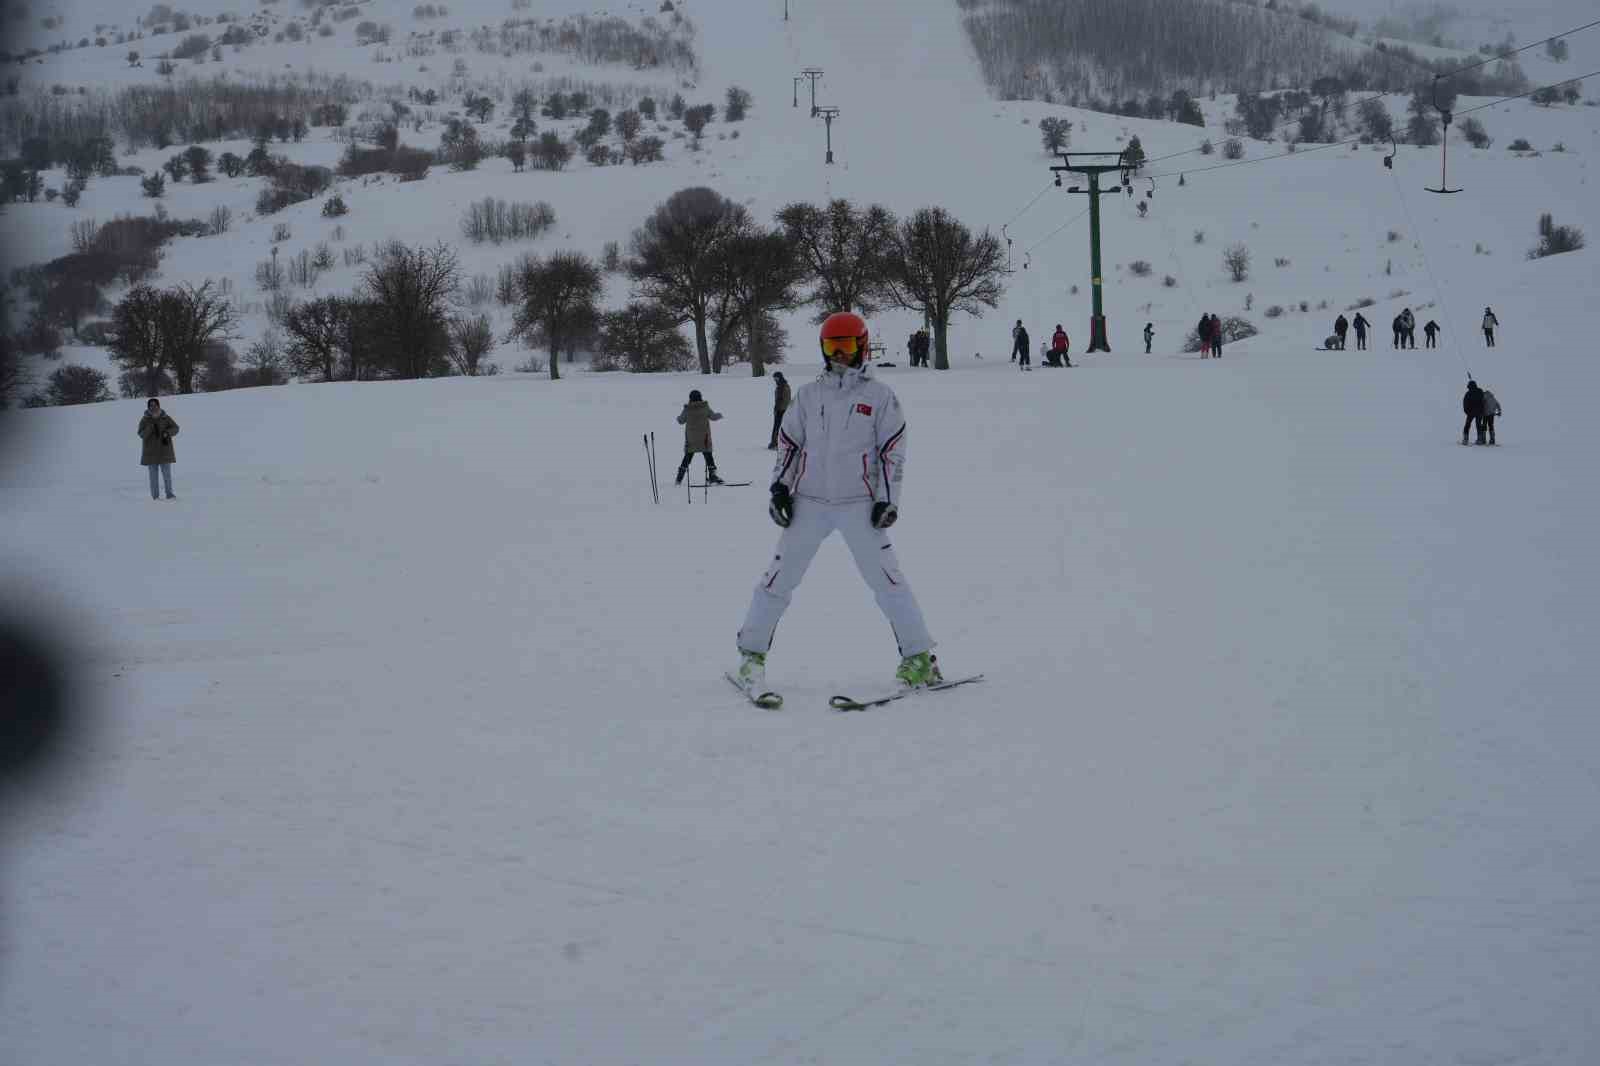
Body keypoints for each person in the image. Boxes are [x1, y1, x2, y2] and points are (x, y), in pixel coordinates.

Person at [733, 311, 937, 696]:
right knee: (777, 580)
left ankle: (919, 658)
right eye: (831, 347)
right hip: (809, 502)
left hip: (859, 504)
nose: (839, 355)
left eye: (845, 346)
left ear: (862, 347)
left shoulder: (879, 398)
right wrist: (780, 489)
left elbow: (893, 453)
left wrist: (886, 502)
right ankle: (751, 656)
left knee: (888, 581)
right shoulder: (809, 396)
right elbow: (789, 444)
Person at [675, 389, 723, 485]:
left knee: (687, 458)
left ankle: (679, 479)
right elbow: (713, 417)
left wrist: (678, 418)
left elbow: (681, 421)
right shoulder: (704, 407)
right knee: (709, 457)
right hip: (704, 439)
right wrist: (719, 415)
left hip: (691, 440)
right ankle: (713, 476)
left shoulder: (687, 409)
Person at [138, 398, 180, 500]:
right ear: (148, 407)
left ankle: (169, 494)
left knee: (167, 476)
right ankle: (155, 497)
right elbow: (141, 434)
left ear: (158, 405)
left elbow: (176, 428)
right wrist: (150, 428)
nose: (153, 407)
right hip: (150, 452)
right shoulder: (145, 419)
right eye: (151, 405)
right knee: (153, 477)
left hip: (165, 451)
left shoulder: (165, 417)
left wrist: (168, 432)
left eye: (155, 405)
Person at [767, 372, 791, 450]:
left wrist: (778, 409)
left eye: (776, 378)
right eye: (774, 379)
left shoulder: (783, 387)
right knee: (778, 427)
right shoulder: (782, 386)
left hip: (782, 410)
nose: (775, 380)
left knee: (778, 427)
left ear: (780, 378)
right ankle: (776, 443)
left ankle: (775, 443)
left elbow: (783, 400)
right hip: (781, 410)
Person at [1461, 379, 1484, 446]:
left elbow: (1465, 403)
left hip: (1471, 412)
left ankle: (1465, 439)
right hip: (1480, 412)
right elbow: (1483, 400)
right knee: (1479, 425)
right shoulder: (1480, 391)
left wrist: (1467, 412)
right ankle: (1480, 440)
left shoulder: (1468, 393)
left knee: (1467, 425)